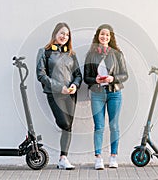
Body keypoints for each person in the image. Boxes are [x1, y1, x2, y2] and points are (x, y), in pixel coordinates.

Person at [36, 22, 82, 170]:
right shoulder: (45, 52)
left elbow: (77, 75)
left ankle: (63, 158)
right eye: (62, 33)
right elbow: (41, 75)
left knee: (68, 127)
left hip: (70, 95)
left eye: (67, 35)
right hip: (55, 94)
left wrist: (75, 85)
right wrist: (59, 87)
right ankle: (63, 156)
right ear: (55, 34)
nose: (64, 36)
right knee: (64, 123)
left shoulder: (71, 54)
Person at [84, 24, 128, 170]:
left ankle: (113, 157)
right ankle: (98, 158)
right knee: (99, 126)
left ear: (111, 37)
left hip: (114, 93)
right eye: (102, 34)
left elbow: (125, 75)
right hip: (97, 93)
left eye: (107, 35)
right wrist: (94, 80)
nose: (104, 37)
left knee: (114, 126)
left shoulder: (117, 54)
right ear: (98, 36)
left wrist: (112, 78)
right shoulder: (91, 54)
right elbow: (86, 77)